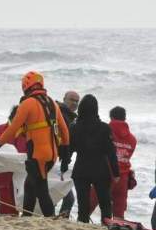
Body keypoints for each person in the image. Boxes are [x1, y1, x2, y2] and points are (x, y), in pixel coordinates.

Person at [0, 71, 69, 217]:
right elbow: (64, 130)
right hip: (52, 154)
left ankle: (51, 220)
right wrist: (65, 155)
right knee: (29, 185)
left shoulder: (27, 103)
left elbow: (12, 129)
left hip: (38, 155)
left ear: (25, 86)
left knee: (42, 190)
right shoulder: (52, 103)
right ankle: (26, 217)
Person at [68, 94, 119, 223]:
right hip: (100, 170)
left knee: (83, 204)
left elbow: (69, 148)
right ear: (96, 109)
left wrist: (64, 164)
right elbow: (111, 152)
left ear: (81, 109)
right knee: (105, 203)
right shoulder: (104, 128)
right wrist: (116, 172)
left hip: (81, 169)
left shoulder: (74, 127)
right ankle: (106, 226)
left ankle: (83, 225)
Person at [89, 106, 136, 219]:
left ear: (111, 117)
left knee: (88, 206)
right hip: (123, 178)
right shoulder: (132, 139)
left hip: (104, 174)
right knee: (119, 212)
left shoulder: (104, 132)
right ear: (124, 118)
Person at [0, 105, 26, 215]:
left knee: (19, 205)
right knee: (6, 206)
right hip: (2, 174)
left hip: (21, 174)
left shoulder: (26, 131)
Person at [57, 91, 80, 217]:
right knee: (68, 197)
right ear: (64, 99)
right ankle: (59, 220)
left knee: (64, 195)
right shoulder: (60, 114)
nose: (74, 103)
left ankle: (57, 220)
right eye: (72, 100)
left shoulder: (71, 117)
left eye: (77, 101)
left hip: (61, 162)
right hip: (55, 160)